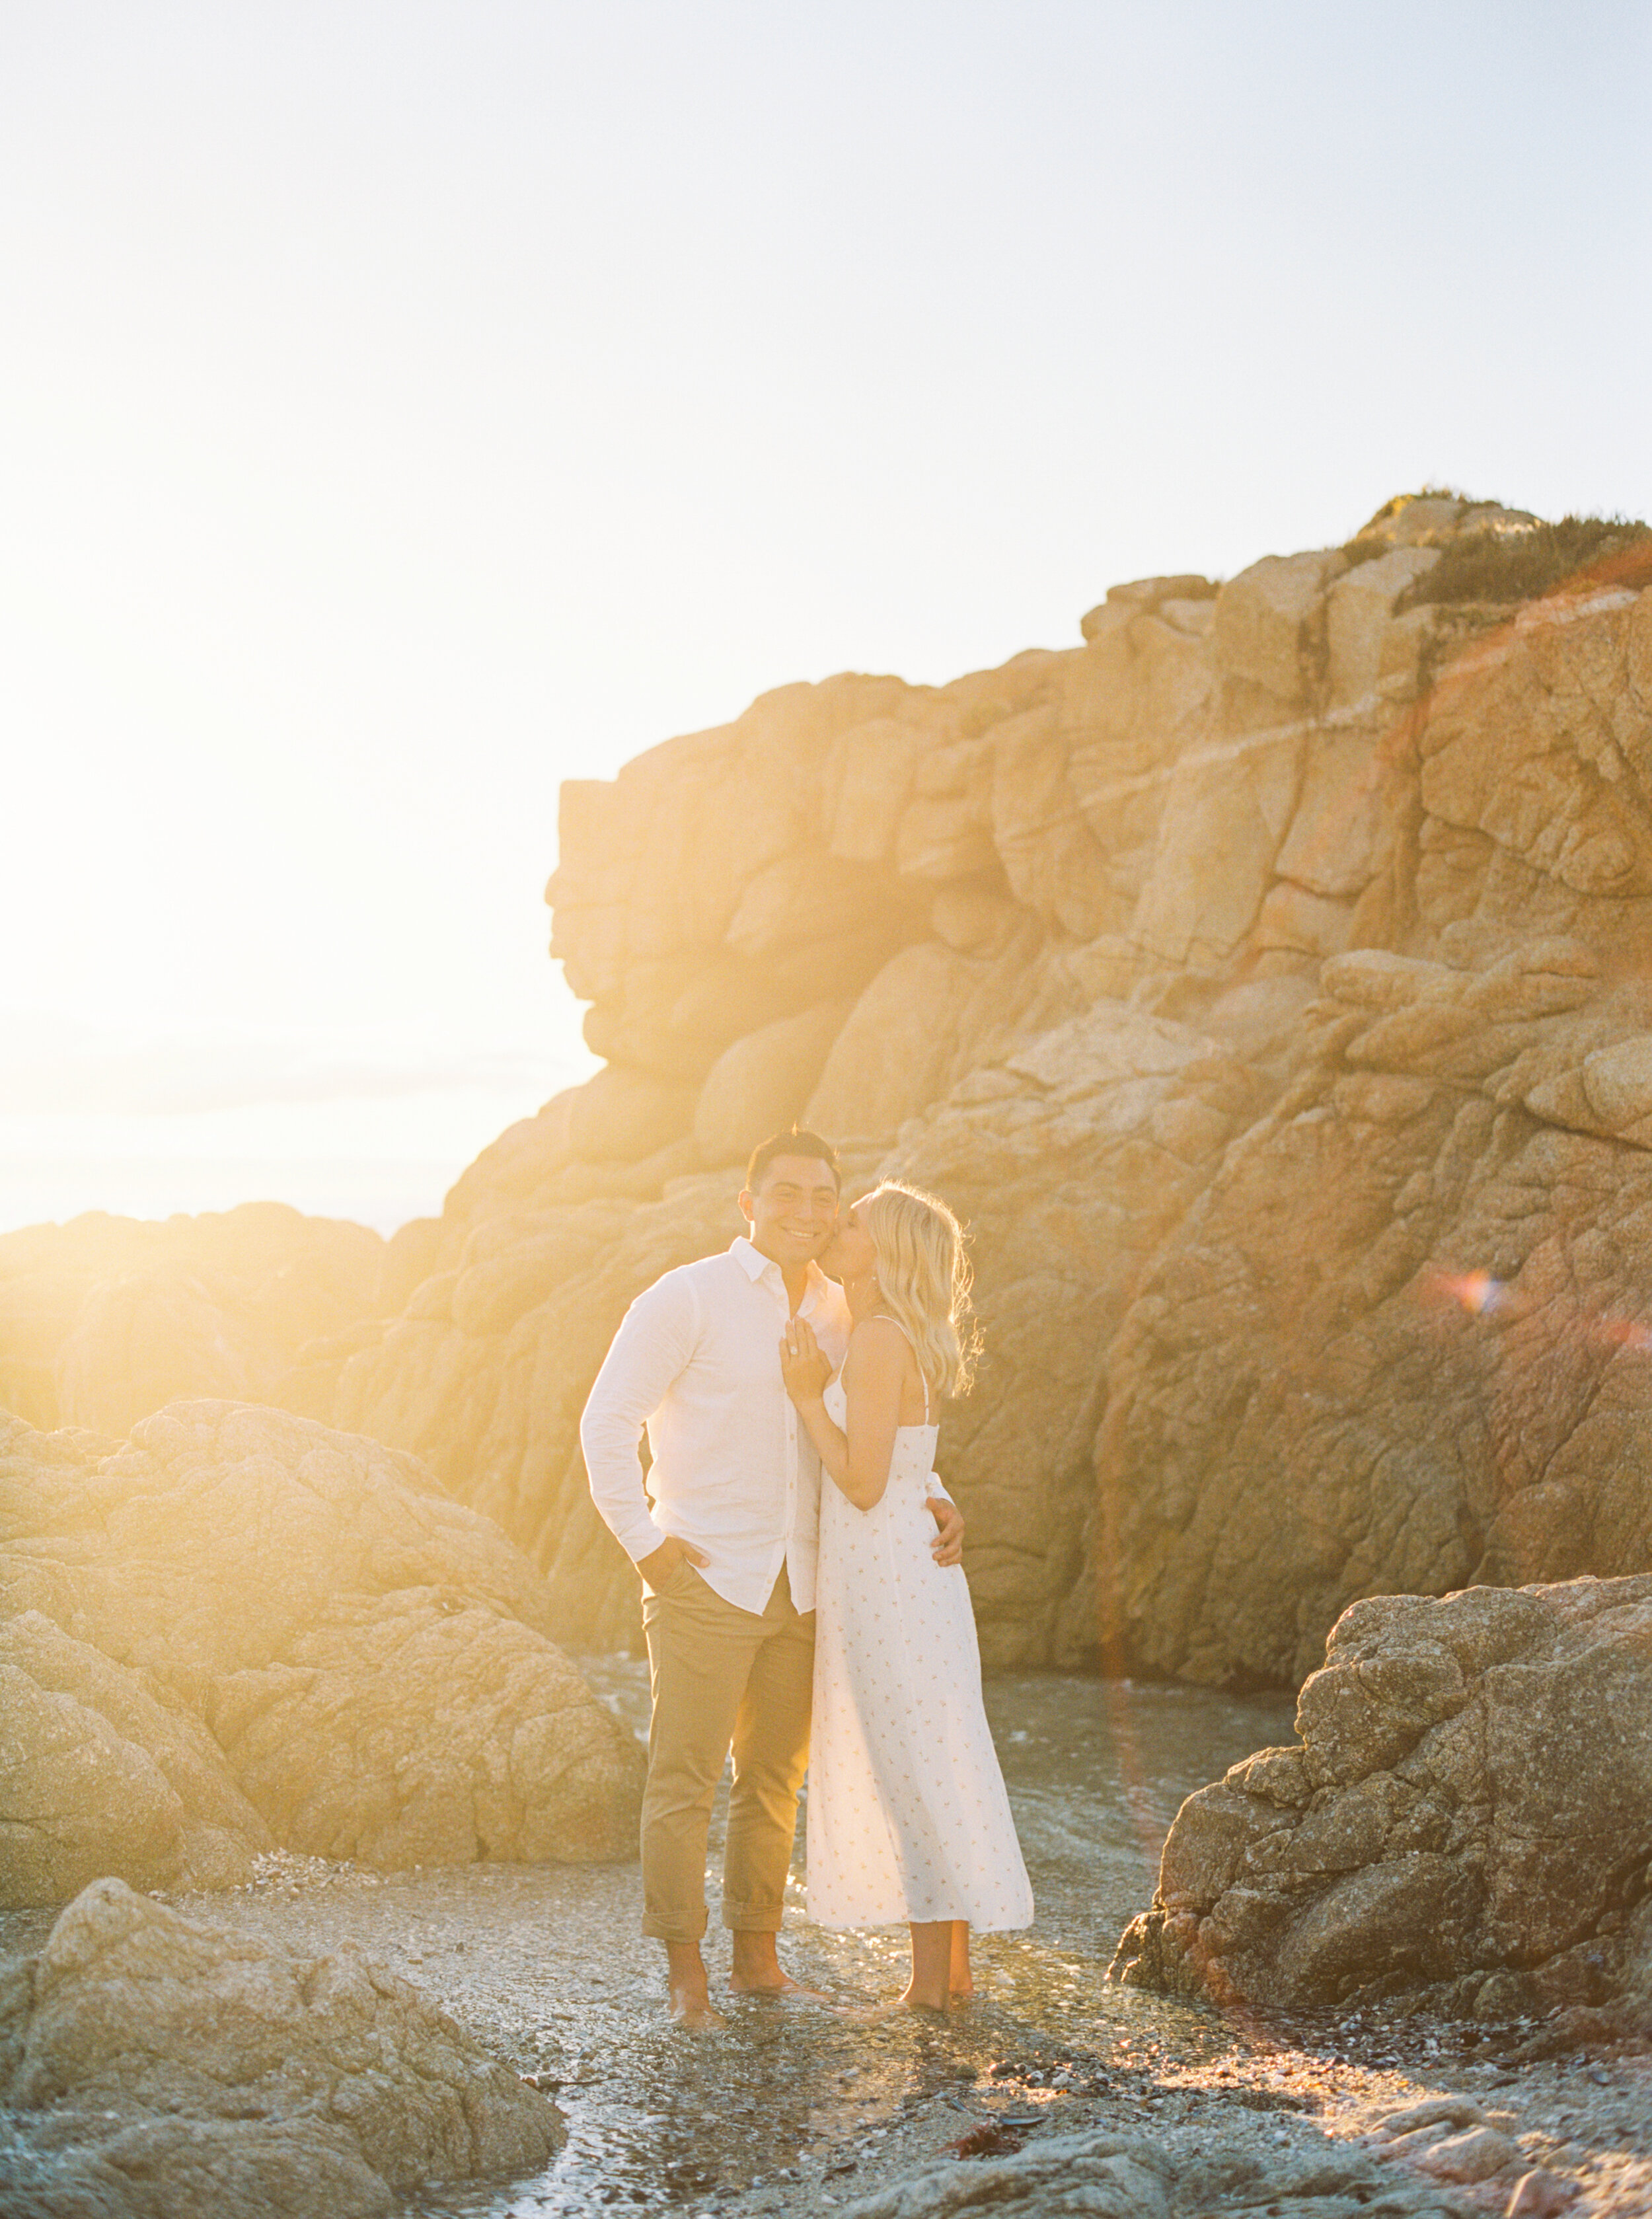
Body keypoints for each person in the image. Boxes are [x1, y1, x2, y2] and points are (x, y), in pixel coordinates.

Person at [580, 1129, 967, 2028]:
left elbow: (865, 1423)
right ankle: (687, 1978)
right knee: (683, 1781)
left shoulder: (845, 1308)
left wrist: (937, 1493)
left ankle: (759, 1961)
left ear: (839, 1208)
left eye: (823, 1195)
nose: (805, 1209)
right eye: (784, 1193)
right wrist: (648, 1545)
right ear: (747, 1202)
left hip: (806, 1587)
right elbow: (607, 1423)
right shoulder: (687, 1297)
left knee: (771, 1781)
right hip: (705, 1579)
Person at [780, 1180, 1033, 2010]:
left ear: (881, 1251)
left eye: (851, 1223)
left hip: (887, 1578)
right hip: (902, 1570)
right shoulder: (885, 1332)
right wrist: (937, 1489)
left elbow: (858, 1480)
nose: (835, 1228)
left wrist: (810, 1397)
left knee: (908, 1770)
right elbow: (905, 1460)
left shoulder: (880, 1338)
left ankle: (930, 1987)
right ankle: (950, 1977)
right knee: (926, 1760)